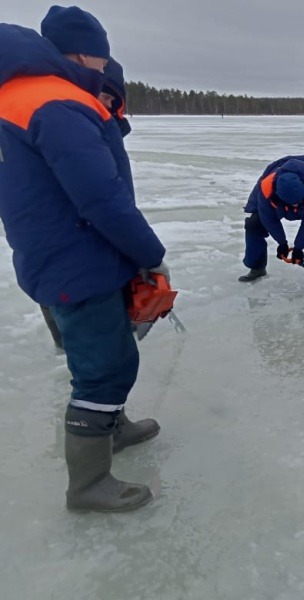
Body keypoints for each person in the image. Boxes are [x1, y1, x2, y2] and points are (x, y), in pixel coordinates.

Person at [0, 6, 167, 512]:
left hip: (52, 253)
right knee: (105, 369)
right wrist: (150, 256)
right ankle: (89, 484)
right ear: (80, 53)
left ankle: (111, 427)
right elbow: (100, 198)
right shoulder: (56, 103)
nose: (104, 65)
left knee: (97, 356)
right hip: (80, 259)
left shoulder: (17, 98)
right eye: (102, 55)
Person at [39, 55, 131, 352]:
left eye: (110, 97)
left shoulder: (105, 127)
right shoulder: (61, 122)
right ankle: (67, 346)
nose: (104, 103)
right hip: (60, 244)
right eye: (100, 94)